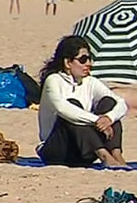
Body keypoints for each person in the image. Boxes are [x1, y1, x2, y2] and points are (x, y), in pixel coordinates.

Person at [37, 36, 129, 168]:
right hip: (57, 150)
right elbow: (63, 108)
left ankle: (116, 155)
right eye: (83, 60)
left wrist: (109, 118)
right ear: (68, 63)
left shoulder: (90, 82)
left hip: (83, 148)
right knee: (73, 105)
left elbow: (121, 103)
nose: (89, 64)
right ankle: (104, 155)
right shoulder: (53, 81)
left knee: (109, 103)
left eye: (89, 59)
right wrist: (97, 120)